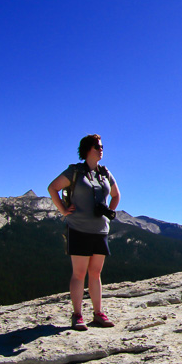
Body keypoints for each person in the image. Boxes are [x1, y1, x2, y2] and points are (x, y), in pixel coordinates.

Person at [48, 134, 120, 331]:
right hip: (78, 228)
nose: (101, 149)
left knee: (95, 273)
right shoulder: (75, 171)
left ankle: (98, 313)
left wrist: (109, 214)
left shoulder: (105, 173)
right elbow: (53, 188)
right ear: (88, 149)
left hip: (100, 230)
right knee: (79, 273)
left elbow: (116, 195)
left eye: (102, 146)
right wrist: (63, 210)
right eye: (97, 146)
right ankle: (77, 315)